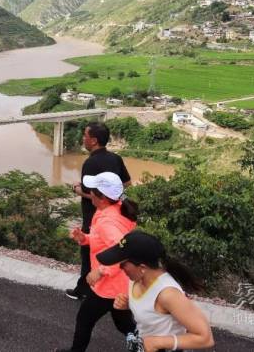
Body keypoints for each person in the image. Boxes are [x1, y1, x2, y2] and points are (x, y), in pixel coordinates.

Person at [58, 172, 138, 352]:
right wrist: (84, 238)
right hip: (121, 284)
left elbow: (122, 251)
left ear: (101, 196)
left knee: (84, 319)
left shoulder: (107, 221)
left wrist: (100, 271)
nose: (89, 193)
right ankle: (146, 345)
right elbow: (103, 241)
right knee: (123, 322)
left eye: (92, 190)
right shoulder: (116, 208)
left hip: (108, 286)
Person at [98, 231, 215, 352]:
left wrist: (157, 342)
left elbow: (205, 338)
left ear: (142, 267)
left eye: (123, 264)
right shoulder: (136, 278)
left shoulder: (168, 294)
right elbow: (152, 312)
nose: (120, 268)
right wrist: (128, 305)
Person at [67, 121, 131, 300]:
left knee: (89, 253)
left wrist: (78, 190)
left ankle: (85, 290)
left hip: (95, 217)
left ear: (94, 140)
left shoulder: (91, 162)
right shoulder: (115, 158)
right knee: (106, 250)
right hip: (115, 214)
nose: (83, 139)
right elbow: (126, 183)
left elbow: (91, 193)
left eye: (85, 136)